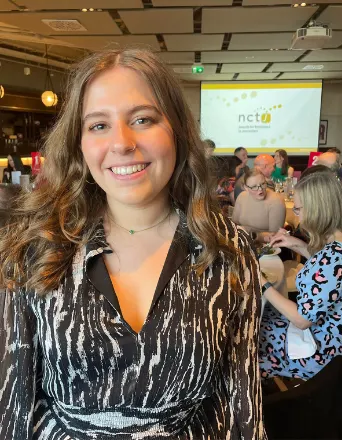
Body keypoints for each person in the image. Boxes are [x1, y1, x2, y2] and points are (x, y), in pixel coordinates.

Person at [0, 48, 265, 439]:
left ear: (176, 130)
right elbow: (13, 402)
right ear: (78, 143)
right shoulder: (34, 247)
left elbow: (242, 399)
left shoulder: (228, 250)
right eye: (98, 125)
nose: (122, 142)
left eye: (142, 119)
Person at [259, 171, 342, 380]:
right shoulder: (339, 241)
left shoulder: (335, 256)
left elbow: (302, 319)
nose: (297, 214)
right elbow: (324, 269)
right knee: (262, 318)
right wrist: (296, 244)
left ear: (317, 210)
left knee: (251, 334)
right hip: (330, 331)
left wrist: (262, 283)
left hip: (327, 350)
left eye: (298, 209)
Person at [232, 169, 286, 242]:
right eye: (254, 186)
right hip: (242, 242)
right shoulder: (241, 197)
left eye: (263, 184)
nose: (260, 189)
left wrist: (252, 234)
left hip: (267, 247)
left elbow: (275, 237)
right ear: (246, 188)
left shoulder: (276, 201)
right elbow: (234, 224)